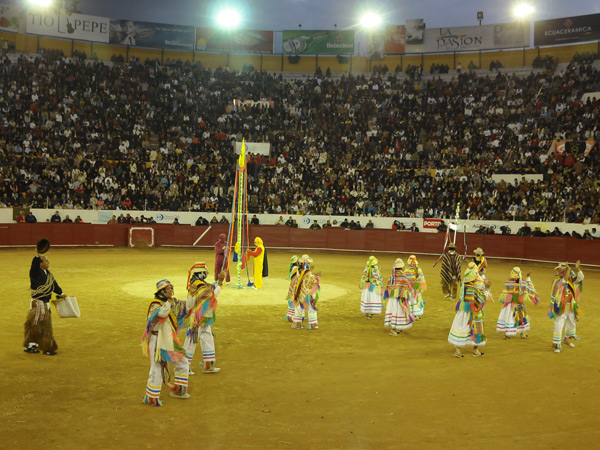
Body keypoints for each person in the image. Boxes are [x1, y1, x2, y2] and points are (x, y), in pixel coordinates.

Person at [141, 279, 191, 406]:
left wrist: (191, 294)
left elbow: (187, 306)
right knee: (156, 367)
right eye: (169, 288)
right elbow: (162, 313)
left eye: (171, 287)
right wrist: (168, 302)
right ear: (162, 291)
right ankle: (152, 397)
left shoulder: (172, 302)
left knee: (183, 361)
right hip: (157, 341)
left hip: (169, 340)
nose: (172, 289)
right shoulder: (155, 305)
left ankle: (179, 390)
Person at [23, 239, 68, 355]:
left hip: (45, 303)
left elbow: (54, 285)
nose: (48, 262)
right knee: (39, 326)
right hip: (38, 303)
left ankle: (36, 345)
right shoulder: (35, 273)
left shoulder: (48, 274)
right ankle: (41, 347)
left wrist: (62, 294)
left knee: (41, 325)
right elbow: (34, 265)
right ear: (40, 264)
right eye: (46, 260)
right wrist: (37, 255)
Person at [184, 262, 225, 375]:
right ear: (201, 273)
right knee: (191, 342)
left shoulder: (198, 284)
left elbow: (211, 288)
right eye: (206, 272)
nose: (207, 273)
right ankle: (183, 367)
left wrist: (219, 281)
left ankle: (208, 366)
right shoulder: (198, 285)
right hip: (197, 319)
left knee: (207, 339)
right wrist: (220, 282)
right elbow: (212, 294)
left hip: (203, 318)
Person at [448, 262, 487, 358]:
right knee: (477, 329)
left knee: (461, 329)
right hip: (473, 313)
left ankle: (458, 350)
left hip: (462, 312)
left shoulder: (463, 287)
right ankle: (475, 350)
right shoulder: (474, 289)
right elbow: (481, 299)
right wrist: (487, 290)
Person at [548, 261, 584, 353]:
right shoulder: (557, 281)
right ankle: (556, 345)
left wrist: (578, 268)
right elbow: (563, 282)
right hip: (561, 307)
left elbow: (581, 277)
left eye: (562, 270)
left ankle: (567, 340)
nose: (560, 271)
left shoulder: (572, 281)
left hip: (571, 307)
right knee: (559, 325)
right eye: (559, 270)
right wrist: (551, 305)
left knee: (571, 324)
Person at [496, 267, 539, 339]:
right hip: (519, 304)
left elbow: (504, 295)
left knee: (508, 318)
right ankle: (522, 334)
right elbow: (531, 289)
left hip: (509, 304)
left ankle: (507, 335)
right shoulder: (522, 283)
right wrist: (528, 278)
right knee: (522, 318)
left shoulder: (508, 282)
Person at [383, 258, 414, 336]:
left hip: (393, 298)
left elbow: (388, 287)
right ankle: (395, 329)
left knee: (393, 311)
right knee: (399, 312)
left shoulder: (392, 277)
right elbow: (407, 287)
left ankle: (396, 328)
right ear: (402, 267)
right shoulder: (403, 276)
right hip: (400, 299)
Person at [291, 255, 320, 330]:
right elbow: (314, 283)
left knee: (299, 308)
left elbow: (296, 283)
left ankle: (297, 324)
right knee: (311, 309)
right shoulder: (309, 275)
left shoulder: (299, 273)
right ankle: (312, 324)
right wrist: (317, 279)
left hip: (299, 294)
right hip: (308, 294)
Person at [405, 255, 426, 319]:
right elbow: (422, 279)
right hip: (416, 289)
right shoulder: (418, 269)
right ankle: (416, 315)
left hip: (409, 289)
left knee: (409, 301)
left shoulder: (406, 270)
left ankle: (409, 314)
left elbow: (404, 280)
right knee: (417, 300)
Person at [285, 255, 301, 322]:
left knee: (291, 299)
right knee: (294, 299)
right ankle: (292, 316)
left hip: (292, 285)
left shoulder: (292, 267)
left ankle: (289, 315)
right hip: (295, 285)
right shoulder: (296, 268)